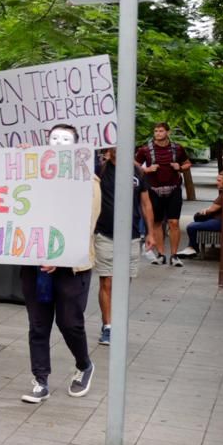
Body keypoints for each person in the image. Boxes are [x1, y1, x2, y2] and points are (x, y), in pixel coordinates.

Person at [20, 124, 100, 404]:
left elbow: (87, 223)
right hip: (35, 263)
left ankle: (84, 365)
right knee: (38, 325)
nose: (59, 143)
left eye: (66, 139)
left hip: (71, 267)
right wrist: (19, 164)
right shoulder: (33, 175)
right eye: (54, 138)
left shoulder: (88, 181)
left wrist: (60, 255)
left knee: (70, 323)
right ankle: (40, 379)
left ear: (77, 146)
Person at [94, 145, 157, 346]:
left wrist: (150, 232)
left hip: (131, 236)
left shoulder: (137, 172)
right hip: (105, 233)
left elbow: (146, 203)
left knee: (124, 284)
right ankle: (108, 326)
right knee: (108, 282)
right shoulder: (100, 170)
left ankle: (117, 322)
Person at [135, 122, 192, 266]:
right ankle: (161, 254)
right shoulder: (145, 149)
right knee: (157, 222)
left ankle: (174, 255)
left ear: (168, 132)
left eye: (161, 131)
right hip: (154, 190)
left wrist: (180, 167)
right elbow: (134, 165)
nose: (158, 134)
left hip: (173, 189)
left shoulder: (177, 148)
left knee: (174, 222)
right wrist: (147, 170)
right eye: (155, 131)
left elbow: (187, 164)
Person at [179, 179, 223, 257]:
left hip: (221, 223)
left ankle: (193, 248)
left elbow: (212, 209)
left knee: (191, 226)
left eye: (219, 180)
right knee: (198, 219)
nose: (217, 182)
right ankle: (191, 247)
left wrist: (204, 211)